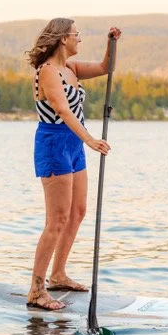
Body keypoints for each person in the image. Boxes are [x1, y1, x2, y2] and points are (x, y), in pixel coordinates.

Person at [26, 18, 121, 310]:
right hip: (54, 144)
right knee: (57, 219)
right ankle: (36, 290)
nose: (79, 39)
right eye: (76, 35)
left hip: (73, 146)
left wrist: (111, 43)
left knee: (77, 212)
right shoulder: (48, 72)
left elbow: (107, 68)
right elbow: (64, 112)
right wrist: (91, 140)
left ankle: (58, 274)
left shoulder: (72, 69)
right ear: (62, 39)